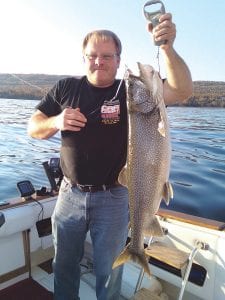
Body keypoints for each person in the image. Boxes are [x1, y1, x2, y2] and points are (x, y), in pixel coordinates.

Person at [28, 12, 192, 300]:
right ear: (84, 58)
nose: (99, 61)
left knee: (109, 272)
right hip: (69, 195)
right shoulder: (66, 88)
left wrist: (166, 47)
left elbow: (182, 90)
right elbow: (34, 126)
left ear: (118, 59)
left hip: (115, 198)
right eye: (93, 55)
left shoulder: (131, 92)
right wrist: (56, 121)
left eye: (107, 56)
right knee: (63, 264)